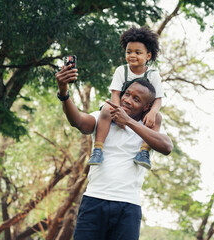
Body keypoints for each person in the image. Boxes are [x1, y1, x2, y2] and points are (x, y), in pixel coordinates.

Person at [55, 63, 172, 240]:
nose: (127, 100)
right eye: (127, 94)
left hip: (128, 208)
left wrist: (129, 122)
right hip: (94, 202)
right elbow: (77, 121)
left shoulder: (149, 128)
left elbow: (167, 147)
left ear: (146, 108)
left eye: (136, 99)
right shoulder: (104, 117)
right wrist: (64, 93)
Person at [88, 26, 164, 170]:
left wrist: (153, 113)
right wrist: (117, 112)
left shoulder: (153, 74)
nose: (132, 55)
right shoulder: (121, 70)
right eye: (129, 52)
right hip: (121, 105)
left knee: (158, 117)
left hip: (141, 110)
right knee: (105, 109)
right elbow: (115, 94)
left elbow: (158, 99)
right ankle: (98, 149)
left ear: (148, 56)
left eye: (137, 52)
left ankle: (144, 152)